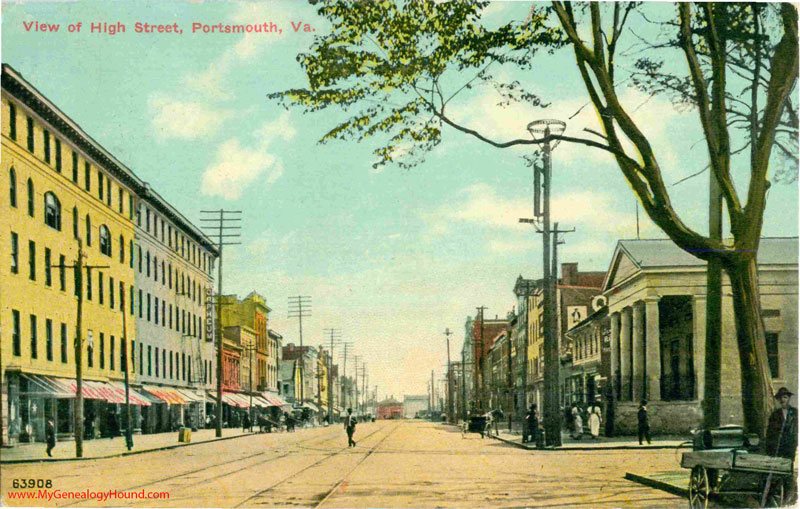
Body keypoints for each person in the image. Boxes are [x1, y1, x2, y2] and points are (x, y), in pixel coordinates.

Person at [766, 387, 797, 459]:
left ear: (789, 399)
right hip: (779, 445)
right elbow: (770, 432)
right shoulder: (775, 414)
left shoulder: (795, 412)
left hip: (791, 444)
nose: (782, 400)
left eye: (785, 397)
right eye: (780, 398)